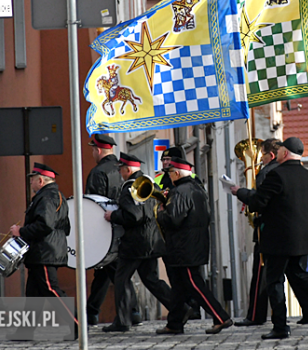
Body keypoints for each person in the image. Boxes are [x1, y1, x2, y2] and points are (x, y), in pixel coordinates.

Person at [234, 137, 308, 340]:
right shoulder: (305, 174)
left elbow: (258, 202)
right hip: (301, 236)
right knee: (299, 274)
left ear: (285, 153)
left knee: (274, 280)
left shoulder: (277, 175)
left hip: (279, 237)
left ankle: (281, 327)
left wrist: (240, 192)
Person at [156, 157, 233, 335]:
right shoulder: (198, 188)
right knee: (178, 286)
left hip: (184, 246)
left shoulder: (180, 191)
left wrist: (161, 213)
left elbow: (173, 220)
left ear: (176, 173)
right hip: (194, 243)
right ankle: (174, 323)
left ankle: (220, 317)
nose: (169, 177)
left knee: (194, 284)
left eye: (170, 173)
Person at [102, 153, 174, 332]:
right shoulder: (150, 181)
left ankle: (123, 320)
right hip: (152, 241)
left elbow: (134, 215)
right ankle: (179, 308)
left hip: (135, 243)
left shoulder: (129, 188)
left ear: (127, 169)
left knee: (121, 279)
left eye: (121, 169)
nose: (119, 172)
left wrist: (114, 216)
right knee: (151, 279)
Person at [9, 163, 72, 300]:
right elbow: (65, 227)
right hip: (45, 253)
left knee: (51, 291)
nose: (30, 182)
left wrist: (21, 231)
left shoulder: (47, 197)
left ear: (41, 181)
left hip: (44, 253)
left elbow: (45, 225)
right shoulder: (56, 196)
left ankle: (76, 321)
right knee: (33, 297)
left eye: (32, 179)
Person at [84, 133, 124, 325]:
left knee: (115, 271)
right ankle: (91, 311)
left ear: (98, 150)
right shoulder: (122, 169)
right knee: (103, 270)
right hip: (123, 224)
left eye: (93, 150)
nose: (93, 153)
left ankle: (130, 311)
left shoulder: (98, 172)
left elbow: (92, 204)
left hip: (104, 227)